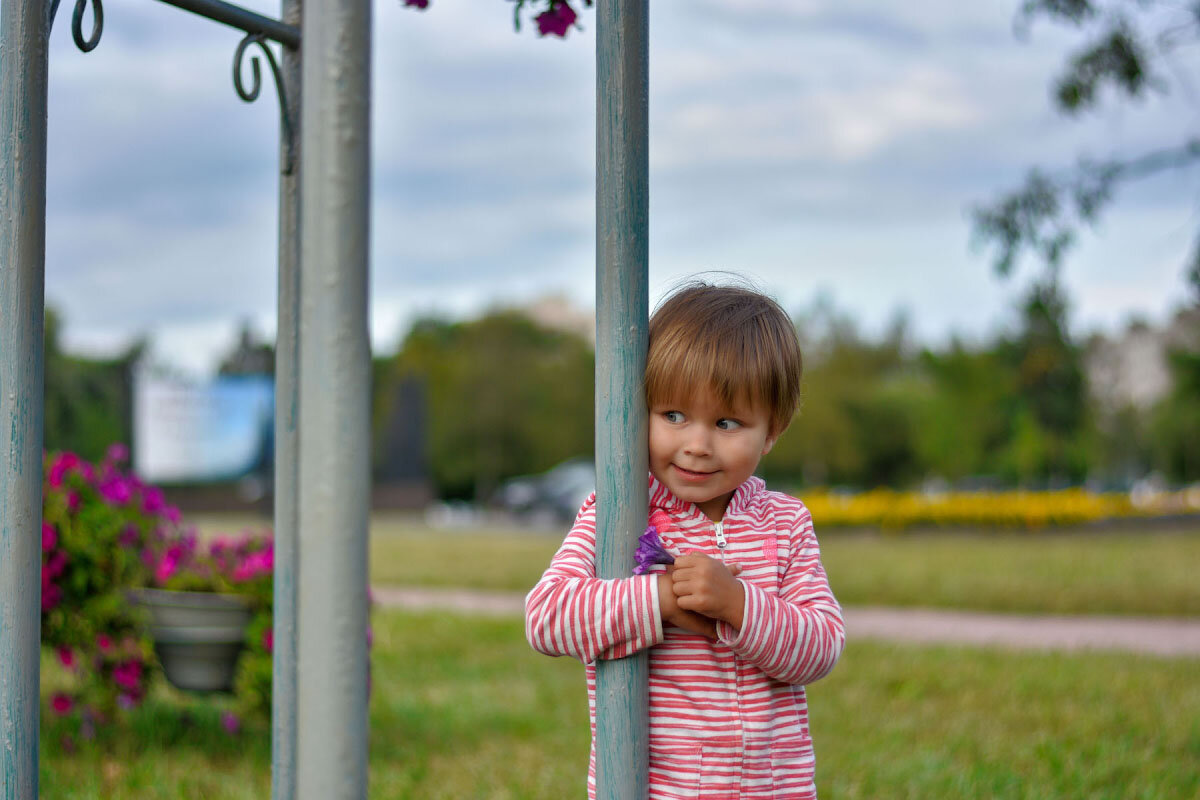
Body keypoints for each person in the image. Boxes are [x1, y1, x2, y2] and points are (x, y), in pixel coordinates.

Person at [525, 281, 845, 799]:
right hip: (659, 790)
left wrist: (739, 604)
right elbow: (548, 617)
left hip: (773, 789)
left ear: (772, 431)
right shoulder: (619, 512)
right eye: (673, 416)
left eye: (726, 422)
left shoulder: (784, 523)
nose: (696, 445)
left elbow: (821, 646)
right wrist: (662, 599)